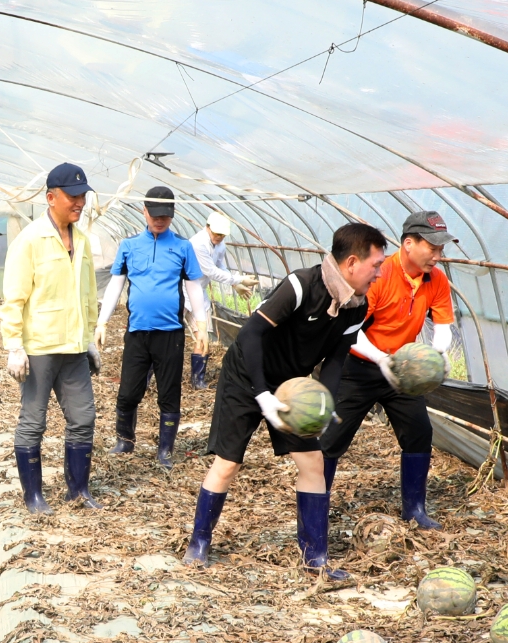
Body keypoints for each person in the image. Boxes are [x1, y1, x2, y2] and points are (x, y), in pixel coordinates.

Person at [182, 222, 388, 579]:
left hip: (292, 387)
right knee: (228, 463)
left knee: (313, 463)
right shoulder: (301, 285)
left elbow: (336, 358)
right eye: (376, 265)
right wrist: (262, 393)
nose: (379, 273)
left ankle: (315, 557)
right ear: (352, 262)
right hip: (246, 374)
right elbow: (251, 334)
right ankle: (199, 543)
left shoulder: (356, 305)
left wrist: (326, 403)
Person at [317, 211, 458, 530]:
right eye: (432, 248)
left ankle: (415, 510)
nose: (437, 256)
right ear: (409, 244)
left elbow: (443, 324)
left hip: (403, 369)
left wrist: (437, 355)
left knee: (419, 433)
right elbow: (352, 330)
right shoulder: (378, 275)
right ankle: (316, 510)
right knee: (330, 439)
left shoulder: (436, 280)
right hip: (357, 366)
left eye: (441, 249)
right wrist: (381, 359)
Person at [1, 162, 101, 513]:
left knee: (83, 418)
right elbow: (14, 299)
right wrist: (14, 345)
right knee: (33, 421)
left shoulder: (82, 241)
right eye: (73, 197)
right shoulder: (30, 241)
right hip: (40, 348)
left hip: (73, 348)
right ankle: (34, 497)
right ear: (51, 198)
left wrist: (89, 339)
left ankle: (78, 491)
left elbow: (88, 295)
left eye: (83, 196)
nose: (80, 203)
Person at [95, 186, 207, 468]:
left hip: (170, 334)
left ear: (172, 214)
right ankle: (125, 440)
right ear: (144, 212)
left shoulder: (182, 247)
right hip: (137, 332)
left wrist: (202, 325)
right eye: (155, 215)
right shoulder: (129, 246)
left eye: (165, 216)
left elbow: (193, 287)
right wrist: (102, 321)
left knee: (169, 393)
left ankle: (165, 450)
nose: (160, 220)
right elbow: (116, 284)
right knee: (128, 391)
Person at [188, 210, 252, 391]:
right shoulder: (197, 243)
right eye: (217, 234)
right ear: (207, 227)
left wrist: (235, 285)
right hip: (183, 290)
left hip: (199, 292)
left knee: (203, 335)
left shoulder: (220, 245)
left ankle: (197, 379)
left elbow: (220, 266)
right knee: (167, 334)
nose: (219, 237)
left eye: (223, 235)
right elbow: (210, 271)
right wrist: (239, 279)